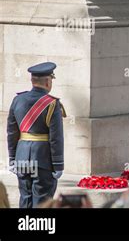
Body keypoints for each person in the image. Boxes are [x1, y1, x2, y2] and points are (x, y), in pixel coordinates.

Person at [7, 62, 66, 208]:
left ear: (32, 81)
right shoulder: (52, 104)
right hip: (43, 159)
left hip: (22, 157)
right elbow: (56, 138)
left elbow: (12, 133)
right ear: (47, 81)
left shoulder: (17, 100)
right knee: (42, 201)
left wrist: (13, 158)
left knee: (25, 198)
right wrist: (58, 165)